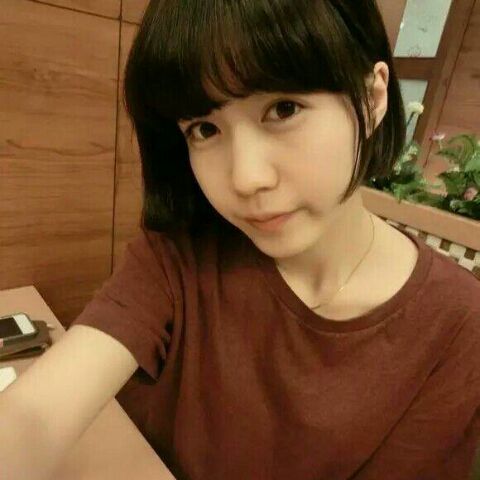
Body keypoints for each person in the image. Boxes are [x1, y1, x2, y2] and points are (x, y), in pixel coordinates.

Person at [1, 0, 480, 479]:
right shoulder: (182, 253)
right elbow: (33, 417)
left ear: (373, 98)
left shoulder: (459, 323)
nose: (246, 178)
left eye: (284, 109)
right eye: (205, 129)